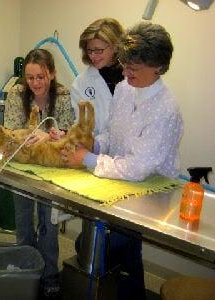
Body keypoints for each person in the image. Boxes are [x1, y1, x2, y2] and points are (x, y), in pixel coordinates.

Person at [63, 22, 183, 299]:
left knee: (104, 246)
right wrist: (95, 143)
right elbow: (114, 136)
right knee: (119, 252)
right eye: (125, 65)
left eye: (134, 68)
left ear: (158, 67)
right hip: (120, 181)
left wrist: (89, 158)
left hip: (150, 190)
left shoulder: (165, 108)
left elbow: (137, 168)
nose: (126, 73)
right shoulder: (125, 89)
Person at [4, 48, 75, 299]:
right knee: (23, 222)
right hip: (22, 166)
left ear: (52, 74)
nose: (35, 83)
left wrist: (53, 135)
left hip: (51, 168)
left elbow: (70, 135)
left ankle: (49, 275)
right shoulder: (16, 94)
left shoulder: (64, 96)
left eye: (41, 77)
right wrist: (26, 135)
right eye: (30, 78)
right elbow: (10, 132)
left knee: (48, 224)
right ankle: (26, 271)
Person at [71, 18, 124, 135]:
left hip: (132, 150)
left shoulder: (133, 77)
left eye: (98, 50)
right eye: (89, 50)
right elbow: (82, 127)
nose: (92, 56)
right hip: (96, 150)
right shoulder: (80, 83)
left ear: (115, 46)